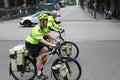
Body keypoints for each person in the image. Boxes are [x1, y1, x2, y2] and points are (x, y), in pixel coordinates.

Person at [25, 14, 57, 79]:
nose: (48, 21)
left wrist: (55, 39)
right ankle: (39, 74)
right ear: (42, 21)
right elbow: (41, 40)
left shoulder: (43, 27)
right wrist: (51, 44)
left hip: (35, 43)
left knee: (46, 49)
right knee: (39, 58)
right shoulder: (37, 28)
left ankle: (37, 62)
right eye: (46, 20)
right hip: (30, 44)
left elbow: (47, 34)